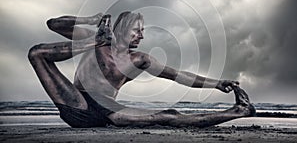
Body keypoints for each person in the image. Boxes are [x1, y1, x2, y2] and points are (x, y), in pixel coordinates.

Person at [28, 11, 255, 128]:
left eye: (143, 31)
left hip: (110, 113)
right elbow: (53, 24)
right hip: (77, 104)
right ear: (123, 27)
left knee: (169, 116)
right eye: (137, 30)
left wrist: (215, 83)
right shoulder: (94, 38)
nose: (142, 36)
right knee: (36, 53)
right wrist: (90, 19)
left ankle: (238, 111)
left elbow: (178, 75)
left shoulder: (139, 59)